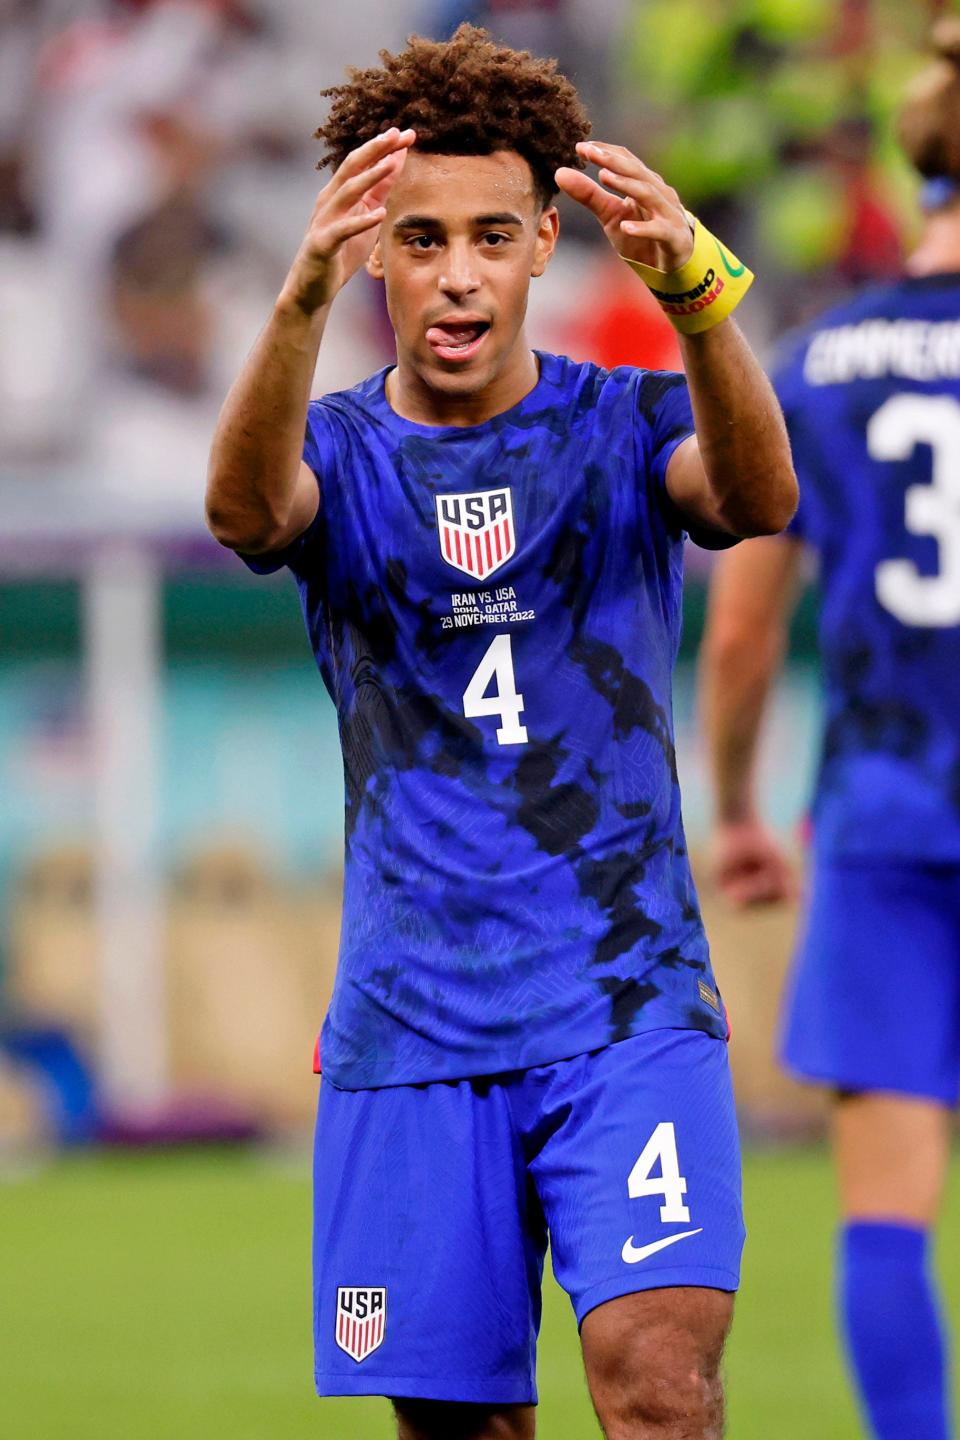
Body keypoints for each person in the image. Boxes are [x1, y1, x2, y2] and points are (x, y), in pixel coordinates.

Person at [206, 24, 796, 1439]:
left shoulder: (619, 422)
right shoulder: (337, 451)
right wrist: (294, 297)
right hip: (414, 1024)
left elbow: (756, 497)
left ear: (543, 244)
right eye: (419, 238)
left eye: (488, 234)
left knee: (662, 1386)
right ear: (375, 258)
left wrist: (702, 304)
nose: (456, 272)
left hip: (625, 1005)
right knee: (458, 1426)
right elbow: (241, 515)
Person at [700, 22, 960, 1440]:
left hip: (885, 816)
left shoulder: (818, 360)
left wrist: (737, 804)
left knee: (887, 1216)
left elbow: (741, 633)